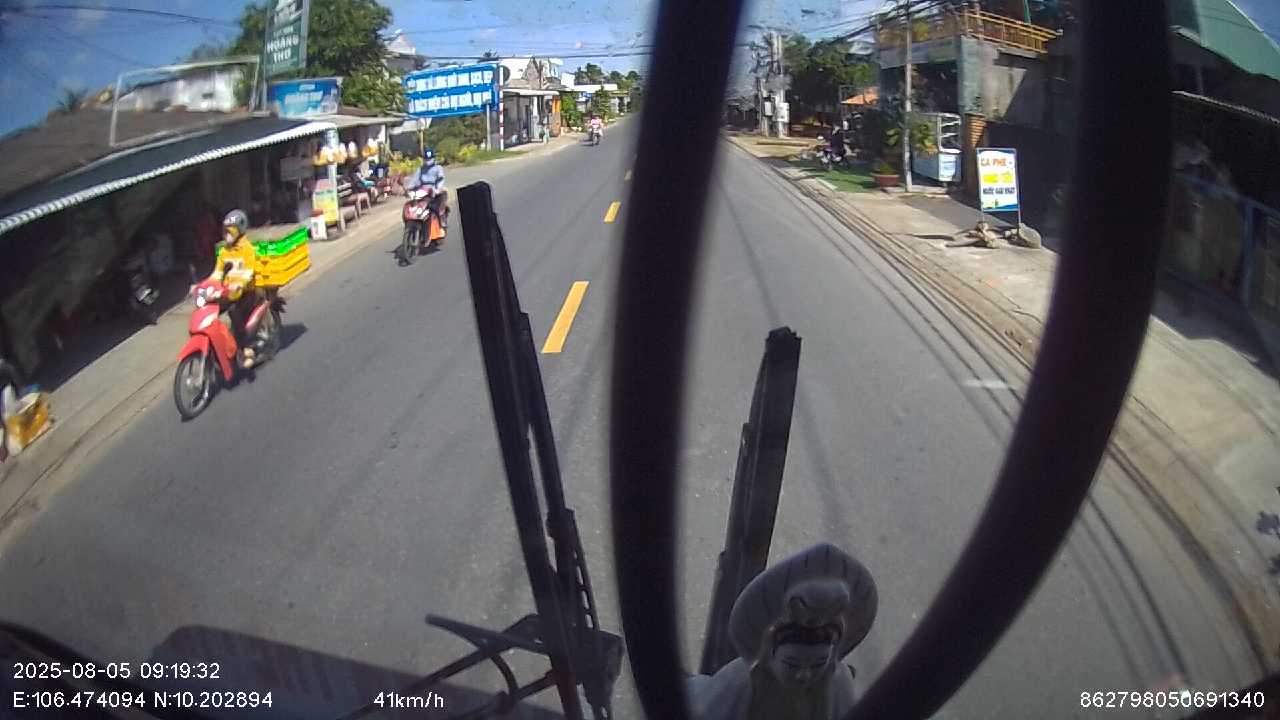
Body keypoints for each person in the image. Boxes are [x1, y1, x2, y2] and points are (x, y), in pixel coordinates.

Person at [209, 210, 261, 368]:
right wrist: (204, 285)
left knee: (234, 312)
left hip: (247, 293)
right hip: (228, 293)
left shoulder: (247, 249)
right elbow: (217, 273)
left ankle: (246, 348)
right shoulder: (224, 251)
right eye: (225, 231)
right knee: (210, 310)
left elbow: (249, 272)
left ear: (239, 230)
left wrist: (240, 283)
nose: (226, 235)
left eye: (230, 231)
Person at [404, 148, 449, 229]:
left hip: (434, 189)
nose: (428, 161)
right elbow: (414, 180)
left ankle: (441, 217)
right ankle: (411, 222)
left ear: (433, 158)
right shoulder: (420, 169)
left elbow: (440, 180)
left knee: (443, 196)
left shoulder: (438, 168)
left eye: (430, 159)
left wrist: (437, 189)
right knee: (410, 205)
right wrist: (408, 189)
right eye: (426, 159)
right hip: (423, 190)